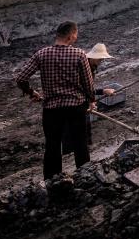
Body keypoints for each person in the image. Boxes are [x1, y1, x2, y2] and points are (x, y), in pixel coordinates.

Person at [15, 21, 95, 180]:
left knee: (52, 146)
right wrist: (91, 100)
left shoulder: (41, 54)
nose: (76, 38)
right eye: (76, 35)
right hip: (75, 108)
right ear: (71, 35)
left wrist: (31, 93)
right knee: (80, 144)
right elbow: (88, 84)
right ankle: (85, 178)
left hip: (51, 110)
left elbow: (21, 78)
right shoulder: (79, 55)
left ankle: (53, 181)